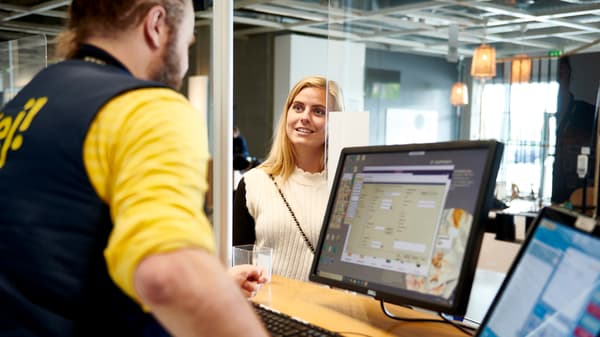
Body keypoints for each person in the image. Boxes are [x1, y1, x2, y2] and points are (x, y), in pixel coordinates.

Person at [0, 1, 269, 336]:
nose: (184, 63)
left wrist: (215, 284)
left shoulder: (26, 102)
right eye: (186, 43)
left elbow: (56, 249)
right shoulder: (144, 107)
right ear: (156, 24)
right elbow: (167, 278)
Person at [233, 76, 344, 281]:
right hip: (269, 307)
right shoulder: (254, 183)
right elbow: (240, 269)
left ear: (335, 123)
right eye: (298, 107)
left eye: (318, 111)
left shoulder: (345, 187)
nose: (305, 117)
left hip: (325, 309)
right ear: (287, 114)